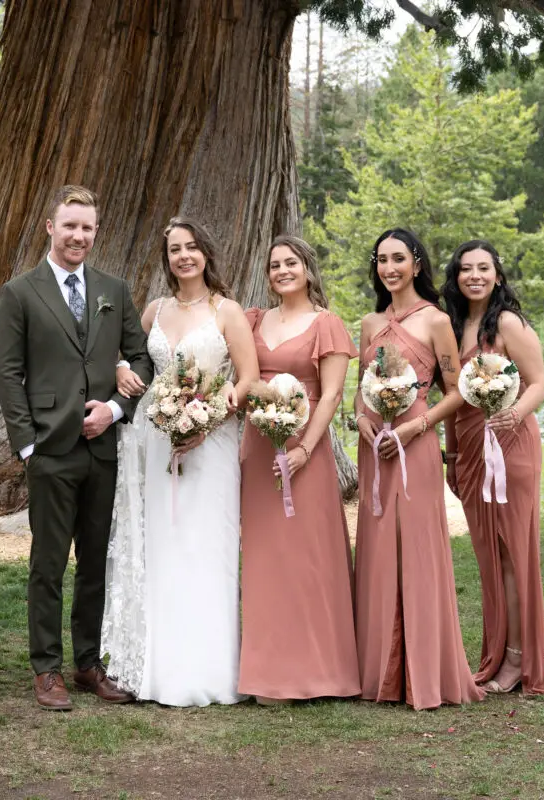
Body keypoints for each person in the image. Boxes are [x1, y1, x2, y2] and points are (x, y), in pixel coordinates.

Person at [0, 185, 154, 711]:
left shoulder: (114, 289)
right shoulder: (21, 292)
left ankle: (87, 663)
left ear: (95, 231)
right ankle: (46, 668)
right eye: (70, 226)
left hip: (103, 448)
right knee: (47, 563)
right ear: (50, 227)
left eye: (87, 227)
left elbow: (141, 357)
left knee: (94, 561)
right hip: (50, 450)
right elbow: (9, 373)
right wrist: (27, 446)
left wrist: (115, 408)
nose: (78, 236)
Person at [104, 217, 257, 707]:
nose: (184, 256)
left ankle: (212, 669)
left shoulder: (226, 310)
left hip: (211, 446)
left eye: (192, 247)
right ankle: (160, 668)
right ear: (166, 258)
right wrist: (123, 368)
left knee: (205, 546)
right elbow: (127, 356)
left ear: (206, 253)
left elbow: (247, 377)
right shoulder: (154, 310)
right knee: (164, 545)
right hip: (156, 440)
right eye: (174, 250)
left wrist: (206, 421)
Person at [352, 228, 484, 710]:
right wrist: (362, 418)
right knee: (378, 551)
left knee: (419, 552)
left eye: (399, 259)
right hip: (375, 449)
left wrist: (416, 427)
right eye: (382, 259)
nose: (390, 268)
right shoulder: (368, 323)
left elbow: (457, 392)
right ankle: (380, 674)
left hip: (417, 445)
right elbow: (359, 389)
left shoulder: (435, 322)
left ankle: (424, 673)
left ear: (417, 264)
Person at [236, 235, 360, 703]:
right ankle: (268, 674)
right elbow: (245, 380)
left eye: (291, 263)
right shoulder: (253, 320)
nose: (282, 271)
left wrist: (306, 448)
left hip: (304, 450)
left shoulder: (326, 324)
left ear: (308, 269)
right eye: (274, 265)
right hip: (259, 448)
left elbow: (329, 395)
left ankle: (320, 673)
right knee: (266, 558)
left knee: (308, 558)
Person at [441, 240, 544, 696]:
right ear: (456, 277)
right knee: (488, 558)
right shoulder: (454, 326)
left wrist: (516, 413)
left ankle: (518, 660)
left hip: (510, 445)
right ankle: (494, 654)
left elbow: (540, 382)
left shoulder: (508, 322)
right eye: (466, 268)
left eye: (483, 268)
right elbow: (453, 400)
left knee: (512, 555)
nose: (475, 276)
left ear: (497, 275)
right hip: (471, 450)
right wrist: (452, 454)